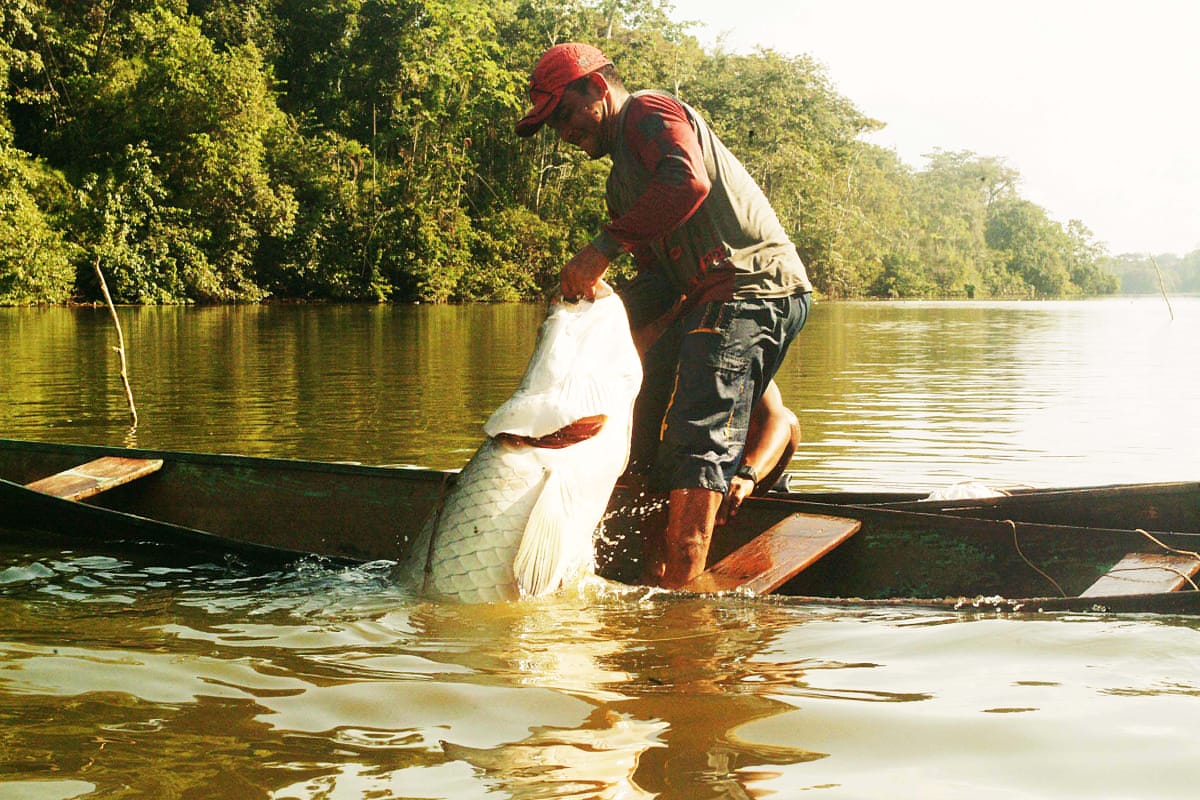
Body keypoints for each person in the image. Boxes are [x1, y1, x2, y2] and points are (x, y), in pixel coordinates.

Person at [516, 42, 813, 589]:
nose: (563, 132)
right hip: (707, 297)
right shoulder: (620, 184)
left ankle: (683, 602)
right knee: (644, 400)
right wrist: (593, 318)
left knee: (697, 431)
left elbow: (687, 180)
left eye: (563, 113)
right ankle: (641, 566)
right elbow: (658, 280)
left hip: (751, 287)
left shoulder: (649, 112)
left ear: (597, 90)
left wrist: (601, 248)